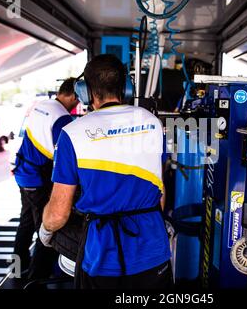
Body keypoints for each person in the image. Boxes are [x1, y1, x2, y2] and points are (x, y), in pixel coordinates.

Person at [39, 54, 173, 289]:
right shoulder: (153, 123)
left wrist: (45, 230)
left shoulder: (72, 133)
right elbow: (160, 193)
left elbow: (58, 215)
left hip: (102, 258)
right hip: (153, 251)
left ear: (84, 91)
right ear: (127, 87)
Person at [13, 78, 79, 281]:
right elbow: (65, 156)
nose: (77, 104)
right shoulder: (62, 118)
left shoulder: (42, 106)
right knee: (47, 226)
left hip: (23, 172)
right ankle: (35, 280)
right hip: (37, 179)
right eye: (77, 100)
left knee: (25, 224)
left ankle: (16, 269)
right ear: (71, 95)